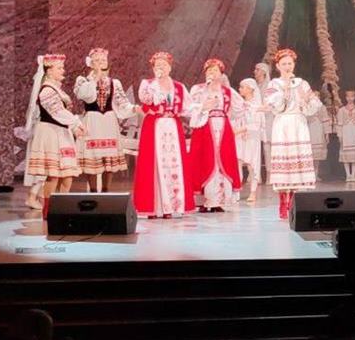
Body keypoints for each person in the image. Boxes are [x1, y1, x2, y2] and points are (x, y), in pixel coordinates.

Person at [264, 48, 324, 219]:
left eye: (290, 63)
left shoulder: (302, 83)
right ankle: (282, 201)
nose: (287, 67)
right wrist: (286, 90)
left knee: (296, 163)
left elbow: (314, 105)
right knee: (284, 162)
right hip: (283, 124)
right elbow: (274, 105)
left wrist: (305, 100)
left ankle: (292, 201)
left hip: (298, 123)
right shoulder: (273, 84)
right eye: (284, 64)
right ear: (278, 66)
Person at [23, 54, 86, 213]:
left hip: (61, 132)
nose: (63, 70)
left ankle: (62, 207)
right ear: (49, 71)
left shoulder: (56, 89)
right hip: (51, 133)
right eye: (59, 68)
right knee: (54, 174)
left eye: (62, 67)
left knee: (67, 174)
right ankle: (49, 210)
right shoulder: (46, 90)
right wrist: (75, 123)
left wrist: (74, 126)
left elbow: (62, 113)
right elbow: (57, 112)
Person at [134, 51, 190, 219]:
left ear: (170, 67)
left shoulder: (179, 87)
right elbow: (146, 100)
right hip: (154, 125)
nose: (161, 68)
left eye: (164, 65)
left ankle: (173, 206)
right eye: (157, 65)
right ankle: (156, 207)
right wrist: (155, 87)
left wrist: (203, 109)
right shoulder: (148, 84)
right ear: (153, 68)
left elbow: (188, 107)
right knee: (155, 163)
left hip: (172, 126)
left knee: (174, 163)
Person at [72, 47, 132, 193]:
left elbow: (122, 102)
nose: (100, 62)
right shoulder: (83, 81)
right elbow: (85, 96)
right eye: (97, 60)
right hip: (93, 120)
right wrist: (95, 77)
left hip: (108, 121)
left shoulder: (114, 82)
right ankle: (93, 191)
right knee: (93, 156)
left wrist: (134, 108)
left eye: (103, 60)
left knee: (108, 156)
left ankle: (106, 190)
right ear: (91, 63)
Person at [187, 58, 243, 213]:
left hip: (223, 128)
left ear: (221, 73)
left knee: (222, 160)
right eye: (209, 70)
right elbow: (189, 107)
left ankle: (219, 200)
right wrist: (203, 106)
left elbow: (240, 108)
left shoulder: (227, 91)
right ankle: (204, 200)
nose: (212, 73)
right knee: (205, 160)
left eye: (215, 70)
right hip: (204, 127)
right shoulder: (198, 89)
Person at [236, 78, 264, 203]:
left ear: (250, 89)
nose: (240, 89)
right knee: (238, 163)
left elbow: (257, 125)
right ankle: (237, 191)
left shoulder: (257, 106)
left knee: (252, 166)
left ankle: (253, 192)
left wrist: (241, 130)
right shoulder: (240, 105)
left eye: (242, 87)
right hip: (240, 137)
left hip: (252, 138)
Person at [336, 89, 355, 183]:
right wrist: (340, 135)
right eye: (348, 96)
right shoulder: (341, 110)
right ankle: (348, 175)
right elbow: (339, 124)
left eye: (352, 96)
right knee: (346, 156)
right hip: (346, 133)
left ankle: (353, 175)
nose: (350, 98)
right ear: (346, 97)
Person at [254, 62, 272, 185]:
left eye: (257, 69)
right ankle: (256, 175)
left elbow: (270, 105)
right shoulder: (255, 86)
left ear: (264, 72)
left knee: (267, 148)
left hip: (268, 119)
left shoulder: (269, 87)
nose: (255, 72)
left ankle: (270, 175)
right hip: (256, 120)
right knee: (255, 148)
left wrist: (258, 109)